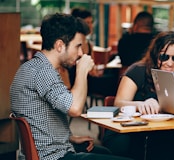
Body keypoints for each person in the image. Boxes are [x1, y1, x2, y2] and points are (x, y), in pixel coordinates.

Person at [10, 13, 132, 160]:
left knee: (107, 153)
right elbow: (74, 108)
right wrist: (82, 71)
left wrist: (69, 138)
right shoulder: (44, 72)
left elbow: (39, 120)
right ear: (60, 45)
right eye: (78, 46)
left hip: (50, 150)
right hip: (53, 157)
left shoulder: (31, 67)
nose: (81, 53)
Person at [102, 31, 174, 160]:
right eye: (164, 57)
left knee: (167, 143)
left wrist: (162, 105)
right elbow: (119, 102)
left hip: (163, 133)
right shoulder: (137, 70)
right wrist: (140, 105)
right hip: (129, 132)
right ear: (155, 54)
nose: (170, 63)